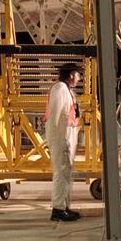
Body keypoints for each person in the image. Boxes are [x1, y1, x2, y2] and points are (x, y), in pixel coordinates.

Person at [46, 62, 83, 222]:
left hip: (66, 137)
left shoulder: (66, 90)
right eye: (78, 74)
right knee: (61, 172)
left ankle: (64, 206)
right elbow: (56, 115)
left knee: (66, 172)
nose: (79, 78)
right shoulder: (60, 89)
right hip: (61, 137)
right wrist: (58, 139)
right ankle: (58, 209)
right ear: (71, 75)